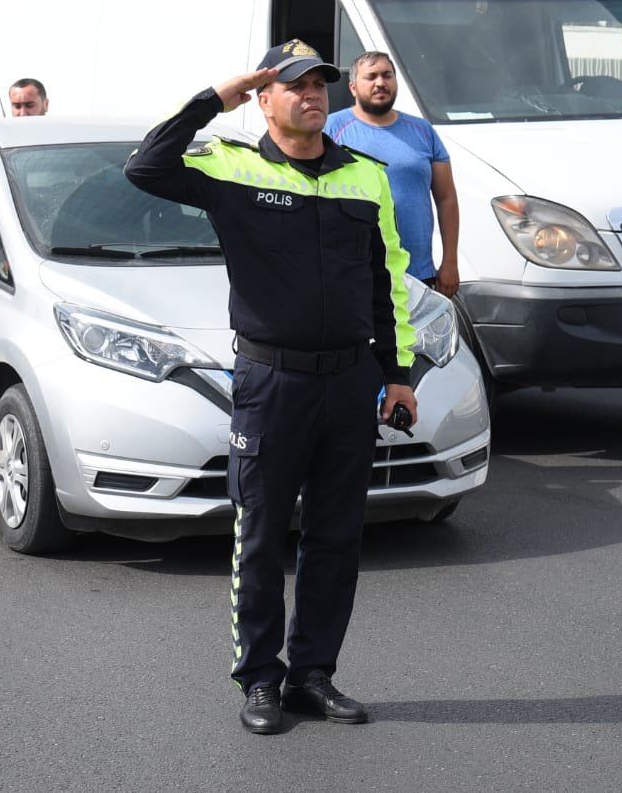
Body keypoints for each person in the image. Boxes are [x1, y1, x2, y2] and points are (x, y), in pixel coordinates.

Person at [125, 39, 417, 735]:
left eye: (321, 83)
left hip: (350, 382)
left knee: (336, 537)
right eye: (294, 85)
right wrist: (212, 99)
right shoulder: (230, 165)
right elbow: (145, 166)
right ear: (264, 98)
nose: (313, 94)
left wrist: (398, 374)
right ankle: (260, 679)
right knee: (258, 536)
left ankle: (313, 675)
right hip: (271, 379)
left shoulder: (364, 176)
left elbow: (388, 281)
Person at [326, 52, 460, 296]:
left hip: (417, 275)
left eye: (387, 75)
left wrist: (450, 261)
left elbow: (447, 199)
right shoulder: (331, 129)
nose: (380, 83)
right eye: (371, 76)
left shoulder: (423, 130)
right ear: (353, 87)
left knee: (415, 336)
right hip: (353, 274)